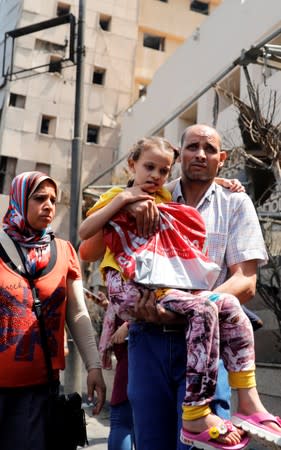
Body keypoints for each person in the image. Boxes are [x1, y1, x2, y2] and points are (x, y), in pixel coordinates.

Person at [79, 136, 281, 450]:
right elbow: (88, 247)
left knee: (226, 308)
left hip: (201, 334)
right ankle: (198, 413)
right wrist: (125, 200)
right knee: (151, 440)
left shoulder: (231, 200)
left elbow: (247, 281)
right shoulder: (157, 192)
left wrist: (187, 307)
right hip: (148, 334)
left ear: (222, 158)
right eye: (192, 147)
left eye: (210, 149)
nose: (200, 155)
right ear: (182, 156)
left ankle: (248, 404)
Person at [0, 171, 106, 450]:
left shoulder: (64, 251)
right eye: (39, 198)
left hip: (39, 390)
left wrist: (93, 366)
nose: (48, 205)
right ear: (19, 200)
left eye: (53, 200)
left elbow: (78, 315)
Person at [85, 289, 135, 450]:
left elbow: (155, 300)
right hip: (129, 351)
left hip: (136, 348)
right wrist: (109, 306)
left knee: (123, 419)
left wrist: (129, 324)